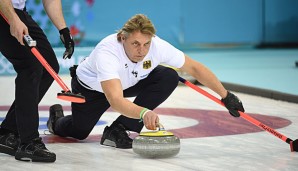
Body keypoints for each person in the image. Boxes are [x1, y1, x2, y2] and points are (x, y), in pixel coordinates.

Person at [47, 14, 244, 149]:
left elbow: (194, 67)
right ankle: (56, 121)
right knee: (79, 132)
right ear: (122, 38)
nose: (141, 50)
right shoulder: (107, 53)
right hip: (93, 89)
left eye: (146, 44)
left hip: (128, 82)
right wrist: (143, 112)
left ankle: (119, 129)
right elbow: (115, 100)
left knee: (168, 76)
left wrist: (226, 95)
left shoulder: (157, 46)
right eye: (135, 44)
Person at [0, 0, 74, 162]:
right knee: (30, 66)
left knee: (48, 66)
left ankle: (7, 131)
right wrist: (13, 19)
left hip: (18, 11)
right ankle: (29, 142)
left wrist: (64, 30)